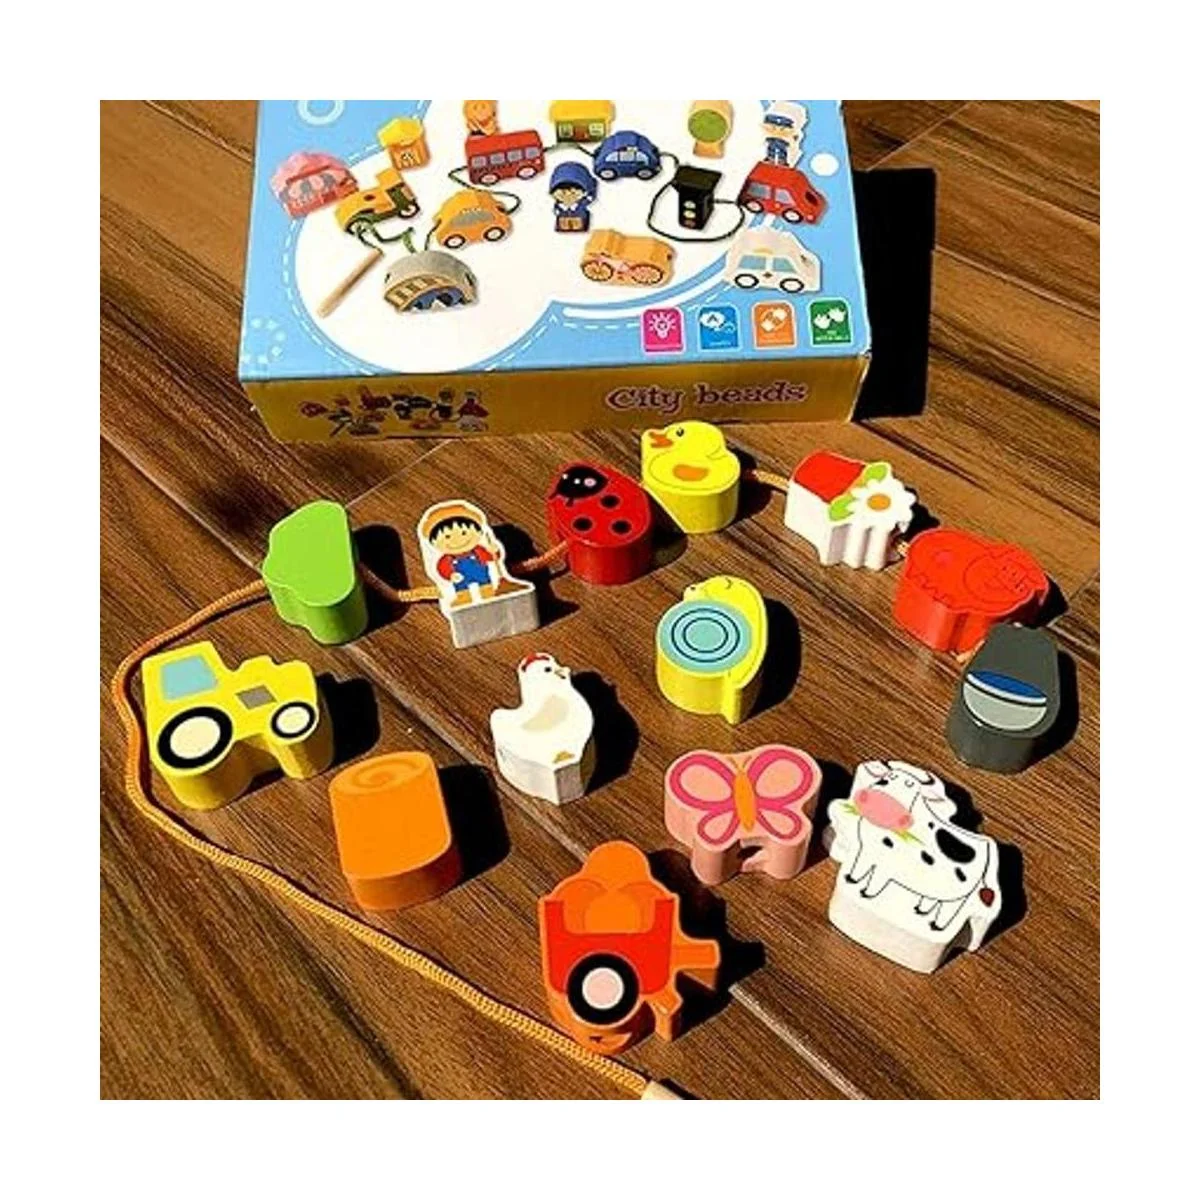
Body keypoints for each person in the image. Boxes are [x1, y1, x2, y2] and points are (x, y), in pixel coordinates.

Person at [549, 162, 597, 233]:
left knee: (577, 220)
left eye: (573, 193)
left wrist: (591, 193)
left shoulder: (582, 203)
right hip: (564, 216)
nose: (568, 195)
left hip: (579, 215)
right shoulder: (560, 206)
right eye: (563, 193)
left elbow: (590, 196)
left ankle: (577, 224)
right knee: (564, 221)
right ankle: (565, 225)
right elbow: (556, 210)